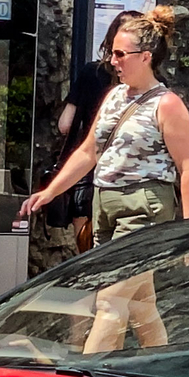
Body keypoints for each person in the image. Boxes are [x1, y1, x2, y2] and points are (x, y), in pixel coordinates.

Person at [19, 7, 189, 353]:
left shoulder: (168, 104)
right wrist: (49, 191)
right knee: (140, 304)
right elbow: (89, 152)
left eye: (120, 54)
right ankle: (159, 367)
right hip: (105, 205)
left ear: (145, 56)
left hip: (143, 208)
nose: (112, 60)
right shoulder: (115, 96)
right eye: (112, 53)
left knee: (109, 302)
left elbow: (188, 168)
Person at [45, 16, 127, 251]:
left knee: (88, 253)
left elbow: (65, 123)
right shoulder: (155, 86)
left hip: (89, 176)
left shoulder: (91, 73)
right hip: (129, 180)